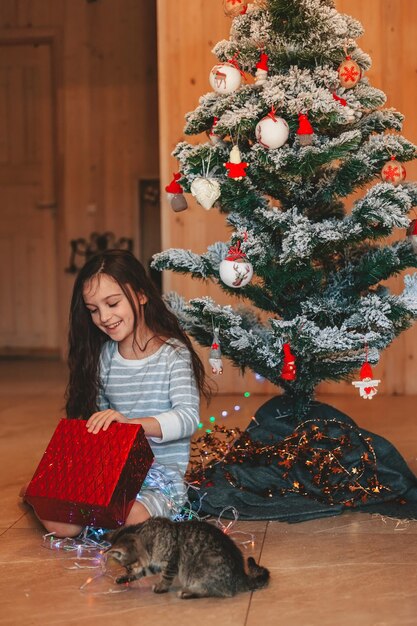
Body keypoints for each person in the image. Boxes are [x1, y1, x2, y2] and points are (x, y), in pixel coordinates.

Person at [31, 249, 209, 537]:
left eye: (112, 303)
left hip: (160, 479)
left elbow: (187, 418)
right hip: (110, 475)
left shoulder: (172, 354)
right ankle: (58, 504)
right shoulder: (104, 356)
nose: (104, 317)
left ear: (140, 295)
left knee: (132, 518)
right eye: (93, 309)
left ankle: (107, 524)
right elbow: (100, 421)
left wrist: (130, 426)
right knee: (60, 525)